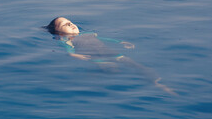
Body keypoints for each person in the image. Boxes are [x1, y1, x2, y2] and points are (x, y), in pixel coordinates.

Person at [45, 17, 178, 96]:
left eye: (70, 21)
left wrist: (120, 42)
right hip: (96, 57)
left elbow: (105, 39)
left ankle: (156, 81)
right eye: (64, 25)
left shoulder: (89, 34)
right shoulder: (67, 40)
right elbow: (69, 50)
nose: (70, 24)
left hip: (112, 53)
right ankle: (92, 75)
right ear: (58, 34)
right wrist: (75, 56)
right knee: (112, 69)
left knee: (134, 63)